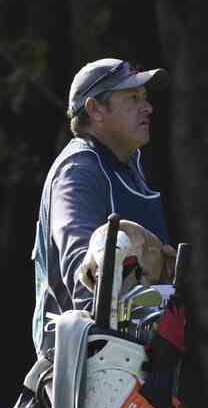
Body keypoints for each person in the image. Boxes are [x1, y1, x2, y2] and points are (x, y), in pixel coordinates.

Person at [31, 57, 176, 356]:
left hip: (135, 354)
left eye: (145, 98)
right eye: (133, 98)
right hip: (85, 361)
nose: (147, 107)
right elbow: (82, 268)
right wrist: (105, 351)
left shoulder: (128, 165)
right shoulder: (79, 170)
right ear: (95, 109)